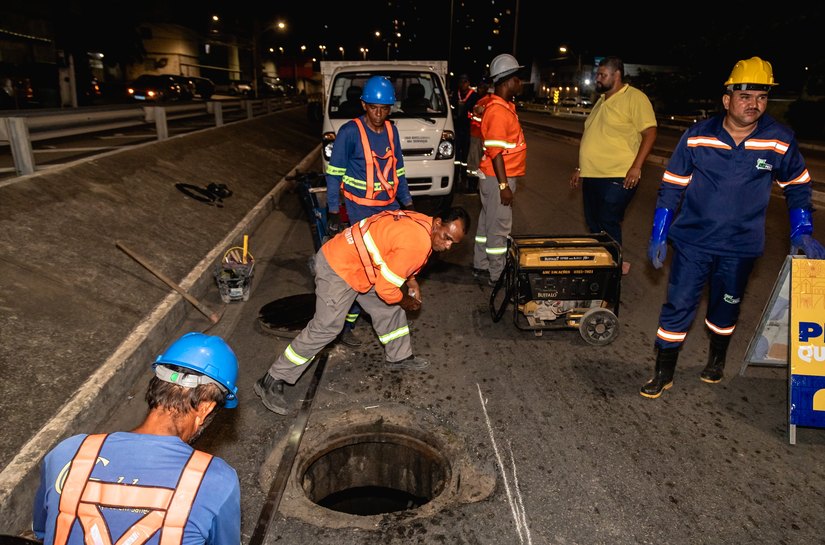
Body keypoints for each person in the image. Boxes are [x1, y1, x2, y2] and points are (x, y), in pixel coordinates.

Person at [640, 56, 825, 399]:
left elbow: (798, 186)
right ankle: (662, 371)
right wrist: (659, 232)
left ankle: (716, 357)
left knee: (725, 310)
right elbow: (672, 186)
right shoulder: (697, 137)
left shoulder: (779, 140)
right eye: (746, 96)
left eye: (761, 97)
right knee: (678, 304)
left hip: (740, 247)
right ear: (727, 100)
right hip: (693, 242)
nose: (754, 104)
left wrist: (802, 228)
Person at [255, 207, 471, 415]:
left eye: (454, 243)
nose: (448, 245)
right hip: (339, 268)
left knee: (389, 308)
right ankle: (272, 379)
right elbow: (387, 288)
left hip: (362, 268)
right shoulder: (417, 242)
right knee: (327, 327)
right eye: (446, 237)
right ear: (438, 223)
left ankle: (399, 357)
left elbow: (399, 260)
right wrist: (406, 300)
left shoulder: (423, 223)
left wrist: (412, 283)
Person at [32, 332, 241, 545]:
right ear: (206, 408)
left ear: (156, 385)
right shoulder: (217, 480)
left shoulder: (68, 453)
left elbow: (43, 530)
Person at [325, 75, 415, 349]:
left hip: (388, 208)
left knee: (387, 266)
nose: (379, 114)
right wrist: (332, 210)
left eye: (385, 108)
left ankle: (367, 317)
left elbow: (398, 171)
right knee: (366, 270)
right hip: (360, 211)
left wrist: (407, 203)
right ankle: (349, 323)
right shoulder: (349, 132)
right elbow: (334, 174)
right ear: (364, 105)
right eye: (374, 107)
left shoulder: (391, 131)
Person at [569, 56, 657, 276]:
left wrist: (636, 167)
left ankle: (612, 270)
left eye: (602, 75)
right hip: (592, 175)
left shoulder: (635, 98)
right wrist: (581, 168)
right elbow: (594, 135)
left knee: (608, 218)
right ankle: (606, 262)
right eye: (598, 74)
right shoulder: (601, 100)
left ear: (617, 75)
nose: (598, 78)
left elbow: (650, 132)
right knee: (593, 223)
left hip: (619, 174)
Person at [472, 54, 526, 287]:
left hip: (495, 178)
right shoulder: (498, 111)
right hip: (498, 180)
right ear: (507, 82)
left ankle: (481, 264)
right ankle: (497, 274)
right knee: (499, 228)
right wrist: (504, 186)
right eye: (517, 79)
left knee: (487, 223)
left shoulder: (502, 107)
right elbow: (495, 153)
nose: (520, 83)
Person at [465, 76, 492, 193]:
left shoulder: (485, 101)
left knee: (474, 161)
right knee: (477, 161)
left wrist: (472, 115)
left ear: (485, 88)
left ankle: (473, 186)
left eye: (481, 88)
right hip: (479, 135)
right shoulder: (481, 100)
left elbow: (482, 119)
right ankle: (475, 186)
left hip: (478, 135)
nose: (479, 90)